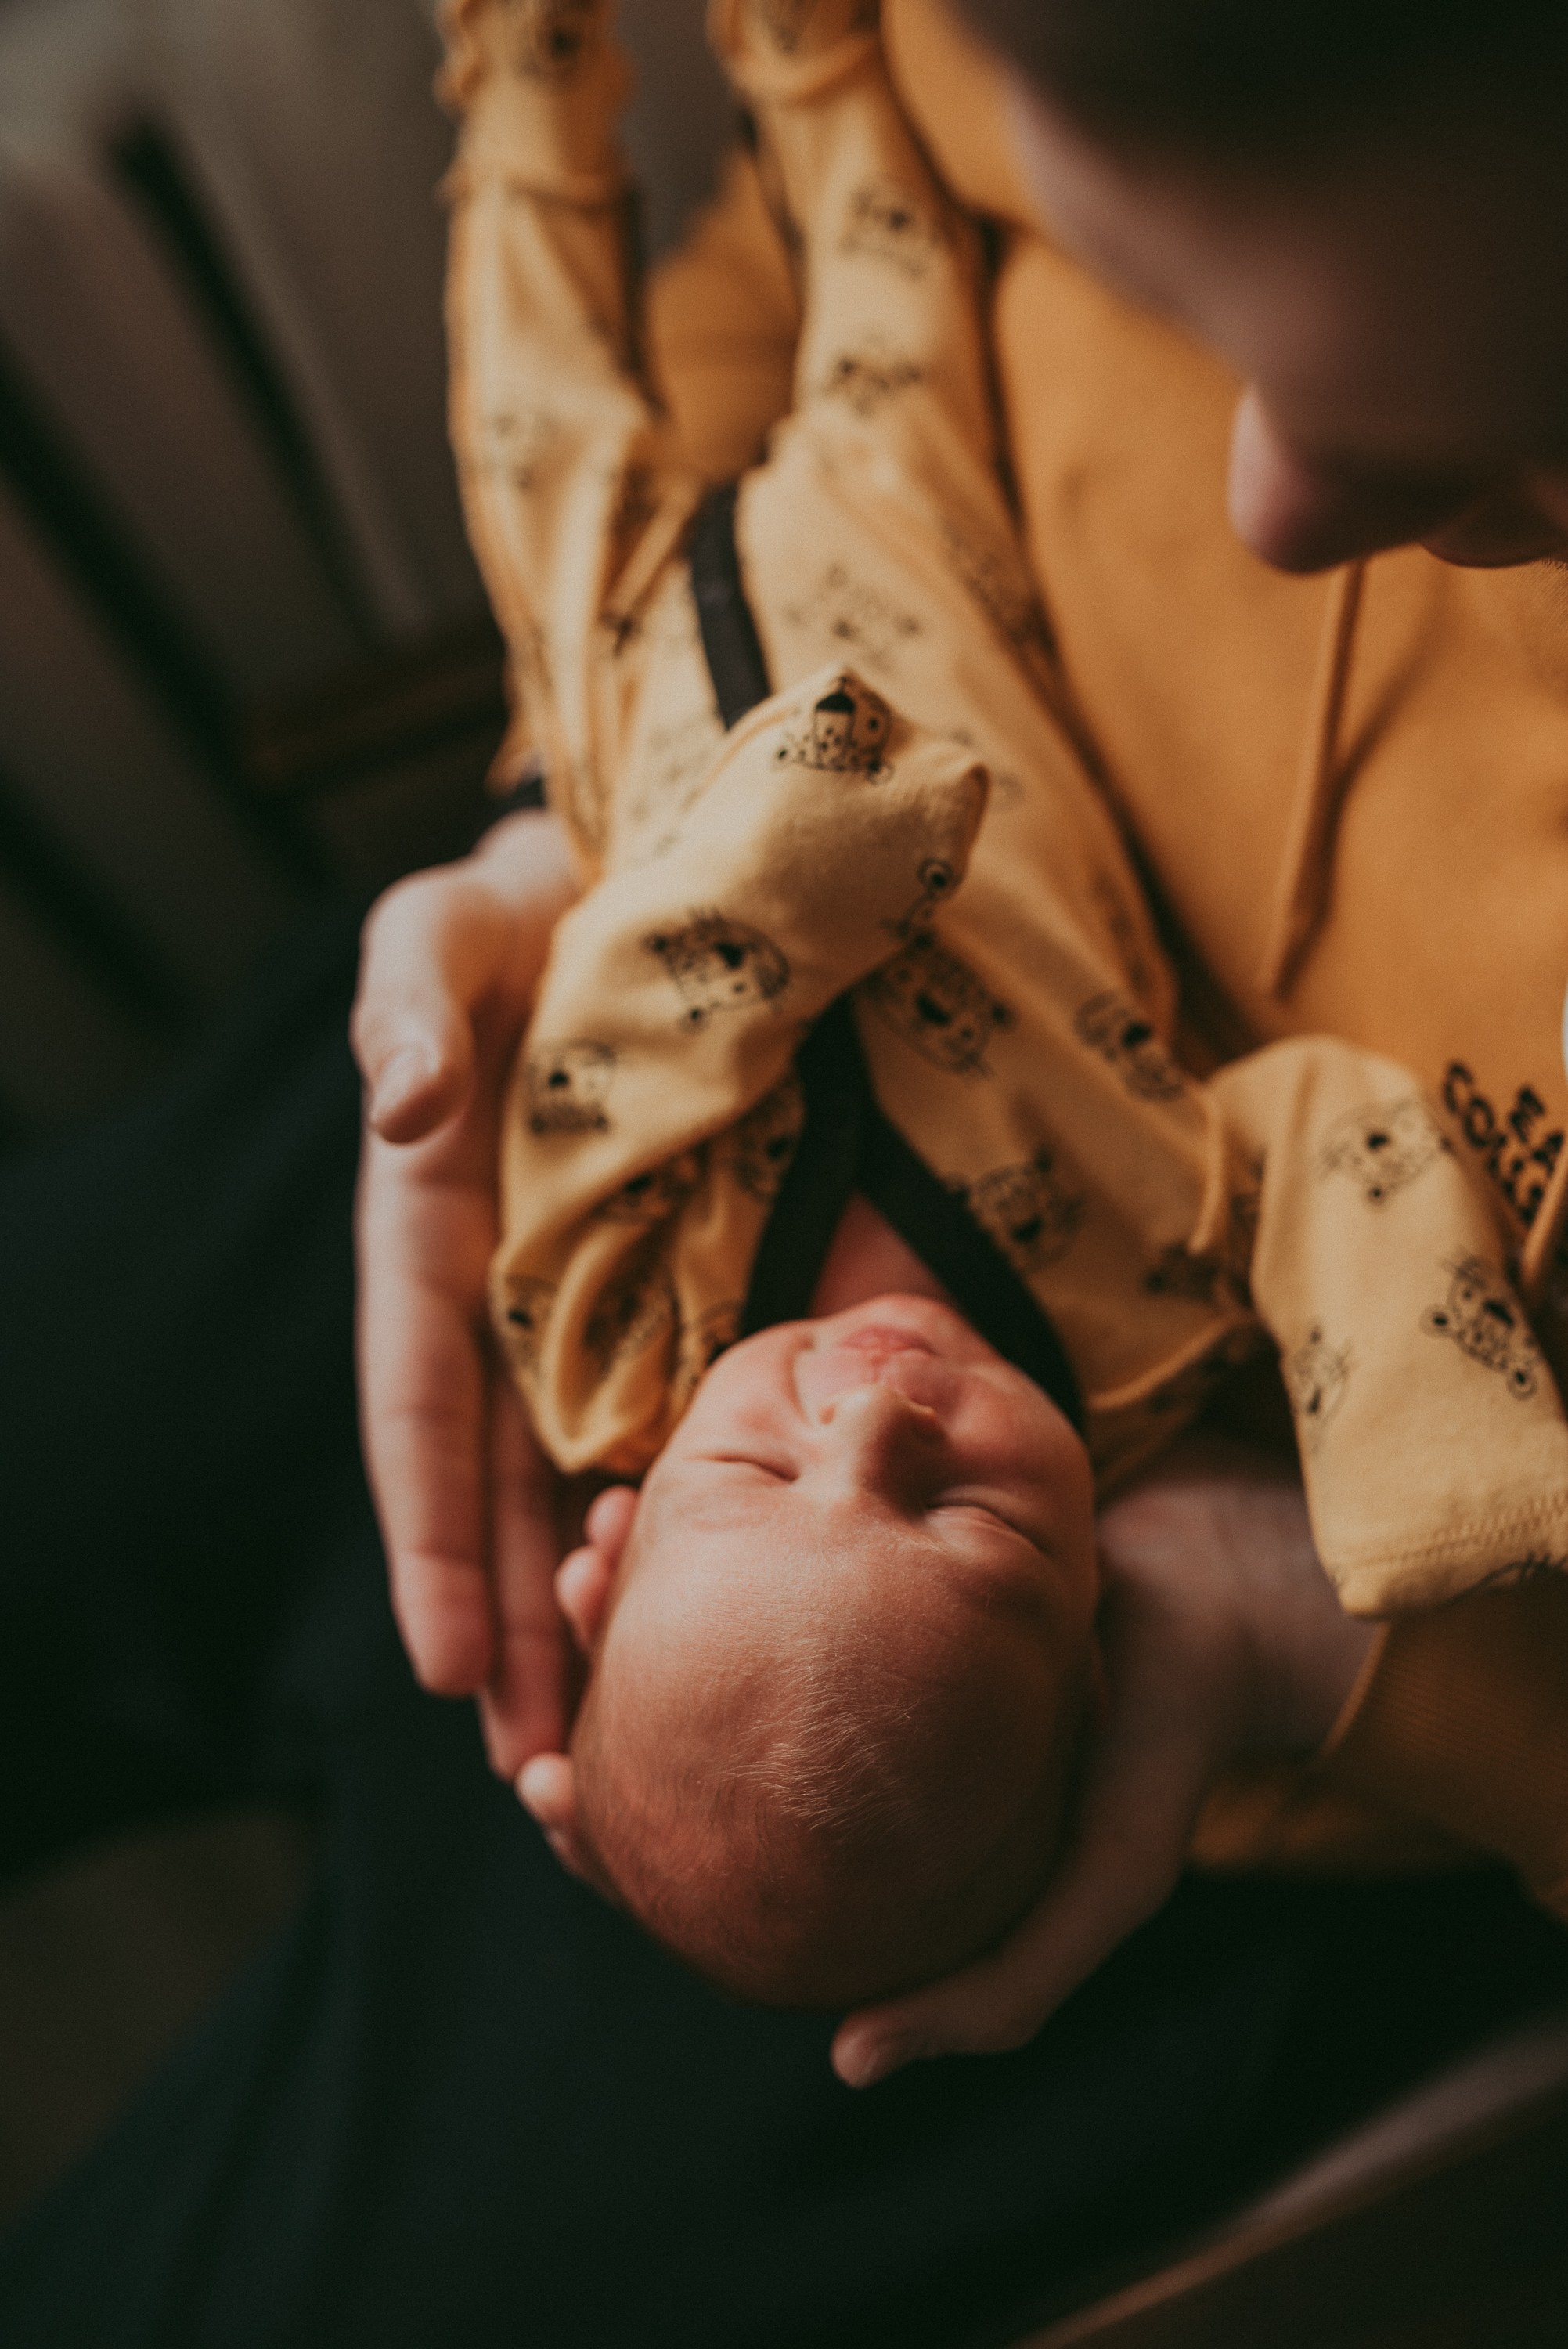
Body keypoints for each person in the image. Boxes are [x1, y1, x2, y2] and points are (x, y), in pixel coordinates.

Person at [4, 4, 1567, 2344]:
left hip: (1149, 1734)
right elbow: (814, 238)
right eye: (1174, 294)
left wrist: (1305, 1625)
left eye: (1523, 425)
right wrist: (585, 805)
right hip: (591, 1036)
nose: (1265, 496)